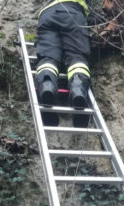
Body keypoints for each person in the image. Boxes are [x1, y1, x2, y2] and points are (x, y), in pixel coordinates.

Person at [35, 0, 93, 128]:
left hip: (47, 14)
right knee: (76, 56)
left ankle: (46, 84)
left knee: (48, 57)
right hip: (73, 12)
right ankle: (78, 88)